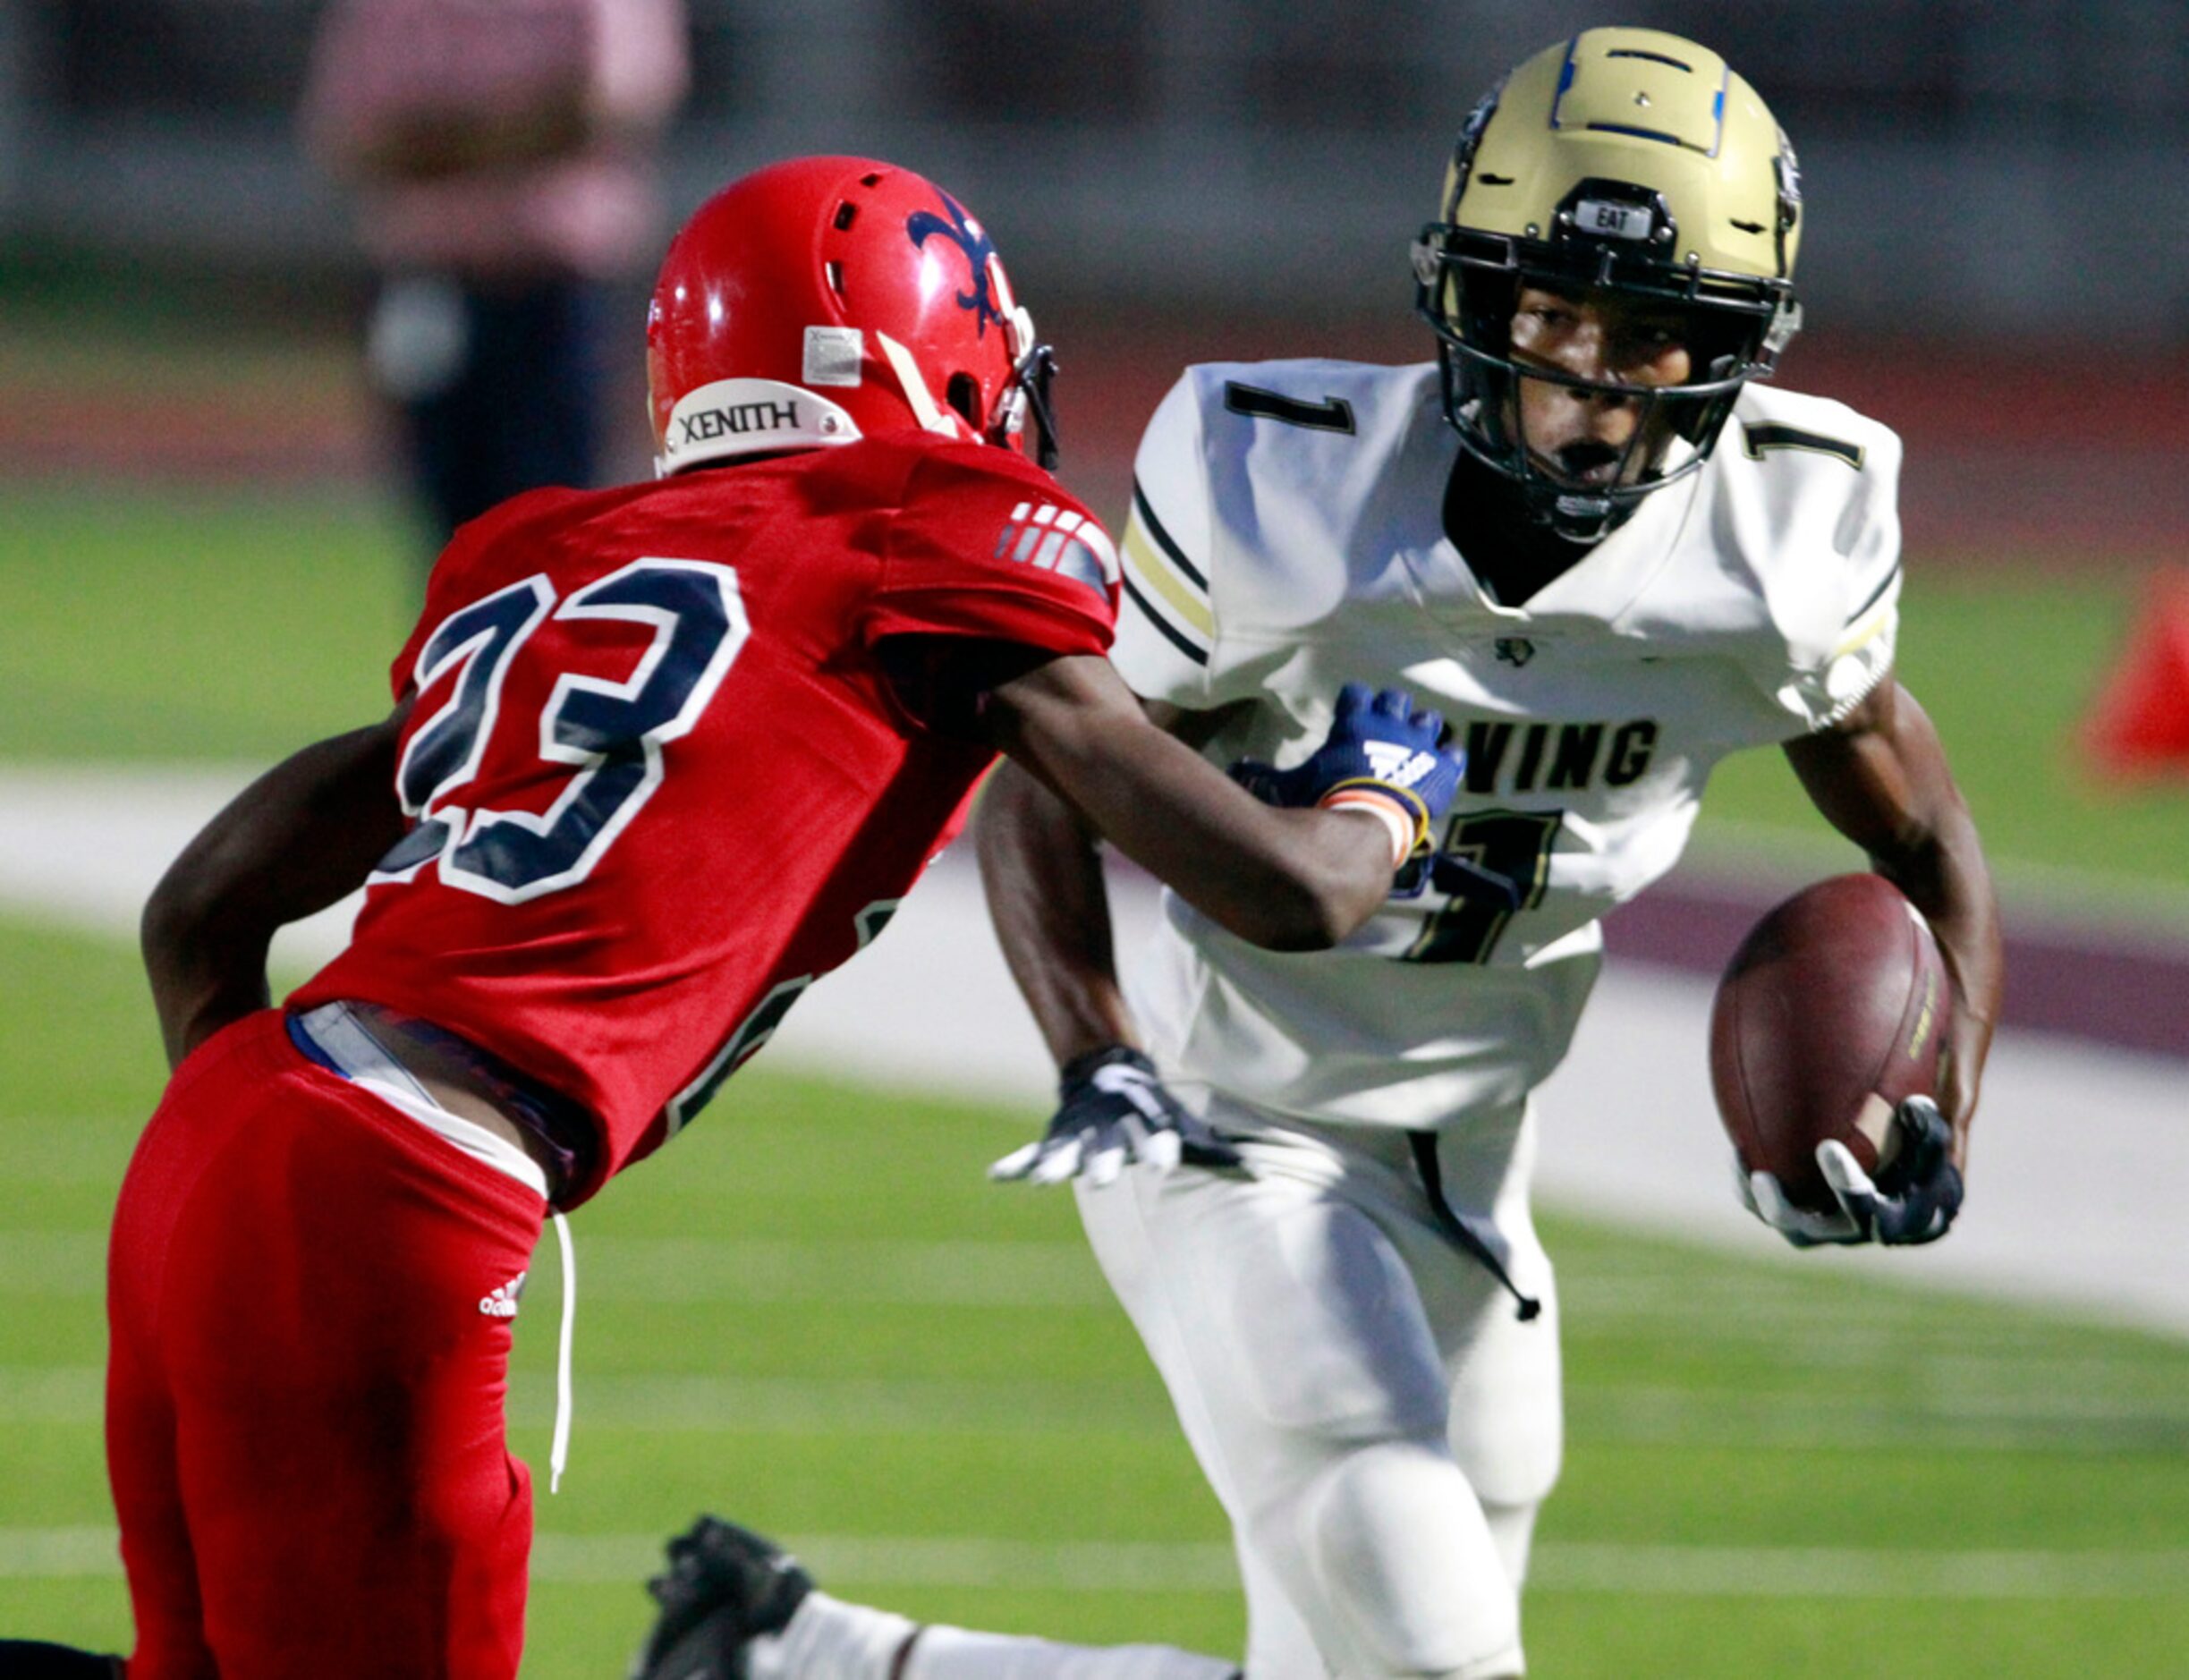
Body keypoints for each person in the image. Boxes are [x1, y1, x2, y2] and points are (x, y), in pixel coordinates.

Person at [633, 28, 2002, 1680]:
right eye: (1545, 313)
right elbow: (1041, 774)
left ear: (1731, 355)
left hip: (1481, 1156)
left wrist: (1935, 1102)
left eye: (1646, 339)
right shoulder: (1282, 489)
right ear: (1465, 294)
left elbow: (1923, 831)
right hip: (1239, 1132)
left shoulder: (1780, 548)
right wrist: (1095, 1056)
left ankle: (794, 1655)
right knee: (1437, 1660)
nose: (1581, 383)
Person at [62, 157, 1464, 1680]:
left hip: (224, 1133)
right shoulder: (935, 518)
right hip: (397, 1176)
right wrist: (1383, 799)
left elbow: (201, 905)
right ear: (932, 344)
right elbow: (1289, 888)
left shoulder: (548, 548)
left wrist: (260, 1157)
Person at [301, 0, 690, 555]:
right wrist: (511, 132)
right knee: (448, 524)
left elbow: (608, 104)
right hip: (427, 287)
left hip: (555, 287)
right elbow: (351, 136)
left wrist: (442, 140)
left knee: (560, 517)